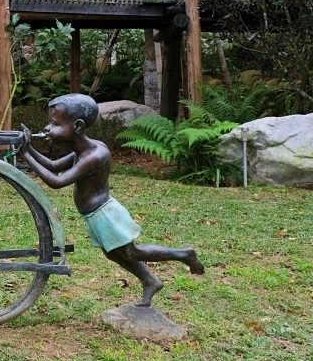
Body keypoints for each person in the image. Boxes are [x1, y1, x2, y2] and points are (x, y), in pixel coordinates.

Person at [19, 93, 204, 307]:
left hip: (104, 215)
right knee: (114, 254)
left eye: (54, 123)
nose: (47, 128)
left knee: (132, 252)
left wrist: (26, 155)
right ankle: (149, 281)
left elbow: (56, 182)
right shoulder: (82, 150)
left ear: (77, 126)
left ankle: (184, 254)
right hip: (94, 215)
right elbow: (53, 166)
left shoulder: (94, 156)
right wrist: (29, 148)